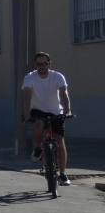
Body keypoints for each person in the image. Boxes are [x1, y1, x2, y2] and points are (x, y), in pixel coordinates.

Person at [21, 52, 74, 186]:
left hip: (56, 111)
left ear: (49, 64)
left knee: (60, 141)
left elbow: (64, 94)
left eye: (45, 63)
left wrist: (68, 110)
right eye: (39, 64)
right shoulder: (30, 77)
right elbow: (27, 97)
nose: (42, 66)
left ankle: (62, 174)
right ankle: (38, 147)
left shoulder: (57, 76)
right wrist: (26, 114)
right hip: (38, 110)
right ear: (35, 65)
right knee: (39, 123)